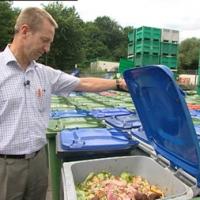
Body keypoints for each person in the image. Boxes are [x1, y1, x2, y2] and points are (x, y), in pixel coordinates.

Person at [0, 7, 127, 200]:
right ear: (25, 31)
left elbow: (84, 83)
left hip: (38, 162)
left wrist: (118, 84)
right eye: (45, 40)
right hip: (6, 167)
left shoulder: (44, 73)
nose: (47, 48)